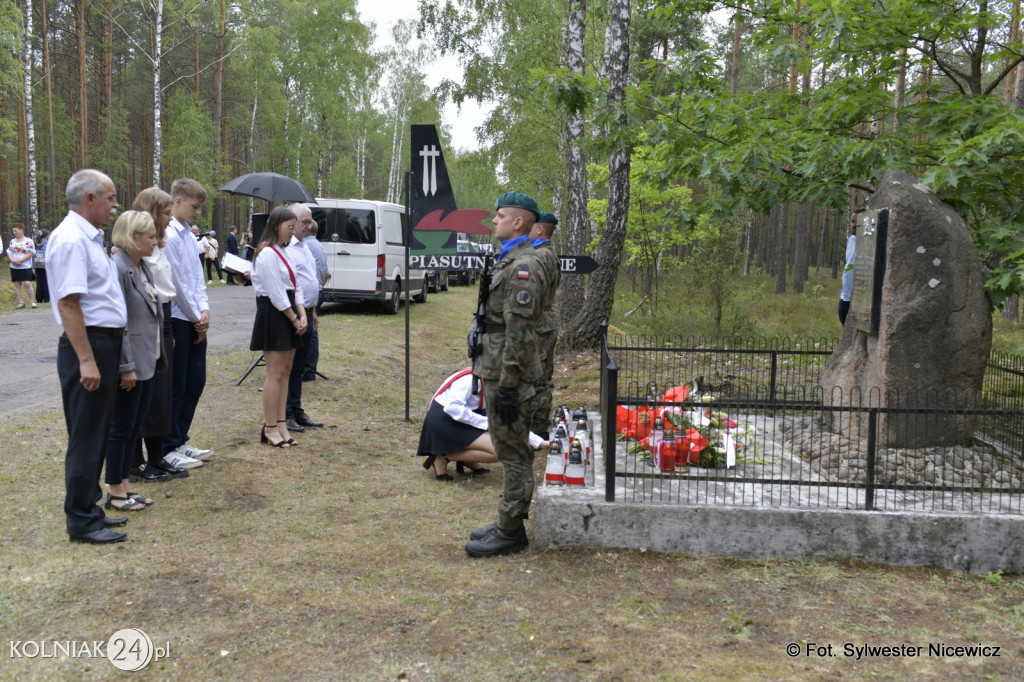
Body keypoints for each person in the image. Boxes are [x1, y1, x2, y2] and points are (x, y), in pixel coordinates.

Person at [47, 169, 129, 544]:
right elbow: (68, 303)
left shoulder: (88, 238)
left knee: (97, 432)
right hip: (89, 344)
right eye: (111, 198)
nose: (116, 205)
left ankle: (90, 508)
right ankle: (80, 520)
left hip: (104, 342)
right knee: (86, 434)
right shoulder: (69, 240)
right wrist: (86, 358)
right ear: (90, 198)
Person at [464, 191, 547, 558]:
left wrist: (511, 384)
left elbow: (520, 331)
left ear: (518, 221)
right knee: (508, 447)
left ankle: (511, 531)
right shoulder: (509, 260)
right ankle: (506, 523)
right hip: (496, 366)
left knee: (513, 454)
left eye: (499, 216)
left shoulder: (522, 266)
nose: (493, 221)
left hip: (507, 373)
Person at [130, 187, 191, 481]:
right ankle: (137, 461)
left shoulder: (160, 245)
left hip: (164, 318)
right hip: (148, 320)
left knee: (161, 396)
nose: (170, 218)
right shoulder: (135, 249)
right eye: (166, 213)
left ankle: (157, 457)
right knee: (144, 395)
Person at [104, 211, 163, 512]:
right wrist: (125, 365)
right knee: (121, 428)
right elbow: (119, 323)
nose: (155, 241)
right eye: (150, 237)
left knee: (133, 426)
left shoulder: (142, 267)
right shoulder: (118, 269)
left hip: (147, 359)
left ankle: (125, 486)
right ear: (133, 237)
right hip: (131, 363)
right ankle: (114, 491)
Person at [161, 178, 214, 469]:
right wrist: (196, 317)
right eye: (194, 206)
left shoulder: (188, 236)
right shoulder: (168, 236)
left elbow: (196, 278)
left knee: (196, 380)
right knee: (176, 384)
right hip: (180, 318)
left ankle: (180, 438)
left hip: (194, 318)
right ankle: (168, 444)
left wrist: (204, 310)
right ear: (177, 201)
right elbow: (176, 284)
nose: (197, 213)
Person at [418, 367, 548, 480]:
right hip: (444, 422)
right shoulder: (468, 379)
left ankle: (465, 459)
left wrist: (539, 442)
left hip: (467, 420)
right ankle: (444, 456)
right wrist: (486, 423)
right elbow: (452, 408)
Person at [250, 206, 307, 447]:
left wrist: (302, 313)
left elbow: (296, 285)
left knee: (286, 371)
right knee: (275, 373)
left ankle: (282, 423)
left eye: (295, 228)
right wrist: (293, 318)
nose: (292, 233)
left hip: (289, 311)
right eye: (289, 228)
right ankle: (270, 427)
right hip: (275, 314)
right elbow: (275, 291)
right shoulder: (266, 253)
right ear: (276, 226)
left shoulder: (285, 252)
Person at [283, 203, 324, 431]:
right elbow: (291, 284)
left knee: (299, 367)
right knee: (289, 367)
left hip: (307, 312)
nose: (309, 226)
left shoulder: (305, 246)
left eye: (310, 222)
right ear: (293, 222)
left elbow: (310, 280)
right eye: (305, 222)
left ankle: (296, 411)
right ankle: (286, 413)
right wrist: (298, 315)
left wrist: (313, 310)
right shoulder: (287, 248)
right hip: (295, 314)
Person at [528, 211, 561, 440]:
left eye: (530, 225)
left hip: (538, 324)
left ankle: (536, 432)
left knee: (537, 380)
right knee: (540, 378)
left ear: (540, 229)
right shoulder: (545, 255)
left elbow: (531, 296)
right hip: (543, 323)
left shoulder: (541, 257)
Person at [302, 218, 329, 381]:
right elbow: (326, 274)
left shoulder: (307, 245)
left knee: (309, 333)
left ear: (309, 228)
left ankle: (307, 369)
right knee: (312, 332)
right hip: (318, 290)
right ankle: (309, 368)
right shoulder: (319, 246)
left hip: (312, 292)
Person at [7, 223, 38, 309]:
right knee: (17, 284)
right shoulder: (12, 241)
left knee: (27, 283)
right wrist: (12, 260)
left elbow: (31, 252)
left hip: (25, 265)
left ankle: (32, 302)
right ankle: (21, 303)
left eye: (16, 230)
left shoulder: (28, 241)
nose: (14, 232)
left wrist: (22, 260)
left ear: (21, 230)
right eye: (13, 231)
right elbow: (9, 252)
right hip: (14, 266)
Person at [839, 213, 857, 325]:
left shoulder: (854, 239)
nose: (853, 225)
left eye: (856, 222)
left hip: (848, 299)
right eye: (852, 221)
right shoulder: (853, 239)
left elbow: (850, 267)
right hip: (847, 298)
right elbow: (850, 267)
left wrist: (847, 297)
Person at [34, 229, 50, 304]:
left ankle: (39, 298)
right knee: (46, 281)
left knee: (39, 282)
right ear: (46, 235)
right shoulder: (47, 243)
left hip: (37, 264)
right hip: (45, 264)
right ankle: (46, 298)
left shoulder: (37, 243)